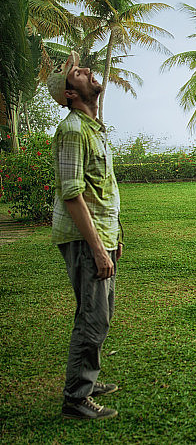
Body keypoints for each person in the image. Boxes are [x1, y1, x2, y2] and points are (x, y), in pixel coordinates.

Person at [47, 51, 123, 419]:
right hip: (84, 240)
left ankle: (87, 382)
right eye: (78, 73)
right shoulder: (73, 130)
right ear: (69, 94)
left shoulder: (93, 128)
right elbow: (73, 193)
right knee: (92, 317)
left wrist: (114, 237)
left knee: (102, 312)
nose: (88, 71)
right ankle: (77, 398)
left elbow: (101, 188)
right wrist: (97, 248)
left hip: (101, 236)